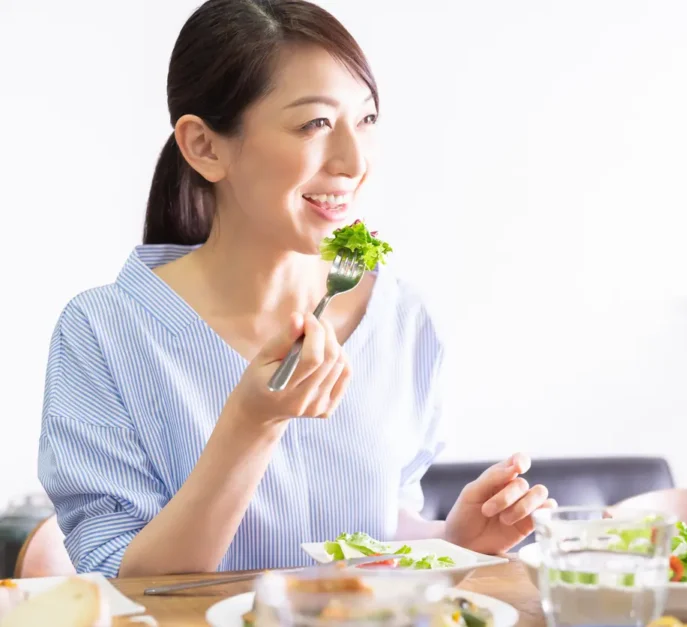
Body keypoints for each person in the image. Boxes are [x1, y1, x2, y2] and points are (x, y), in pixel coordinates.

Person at [37, 0, 554, 577]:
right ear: (204, 147)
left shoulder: (401, 316)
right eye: (315, 124)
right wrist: (250, 426)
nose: (354, 160)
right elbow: (121, 582)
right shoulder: (103, 333)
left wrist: (450, 540)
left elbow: (368, 525)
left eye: (366, 120)